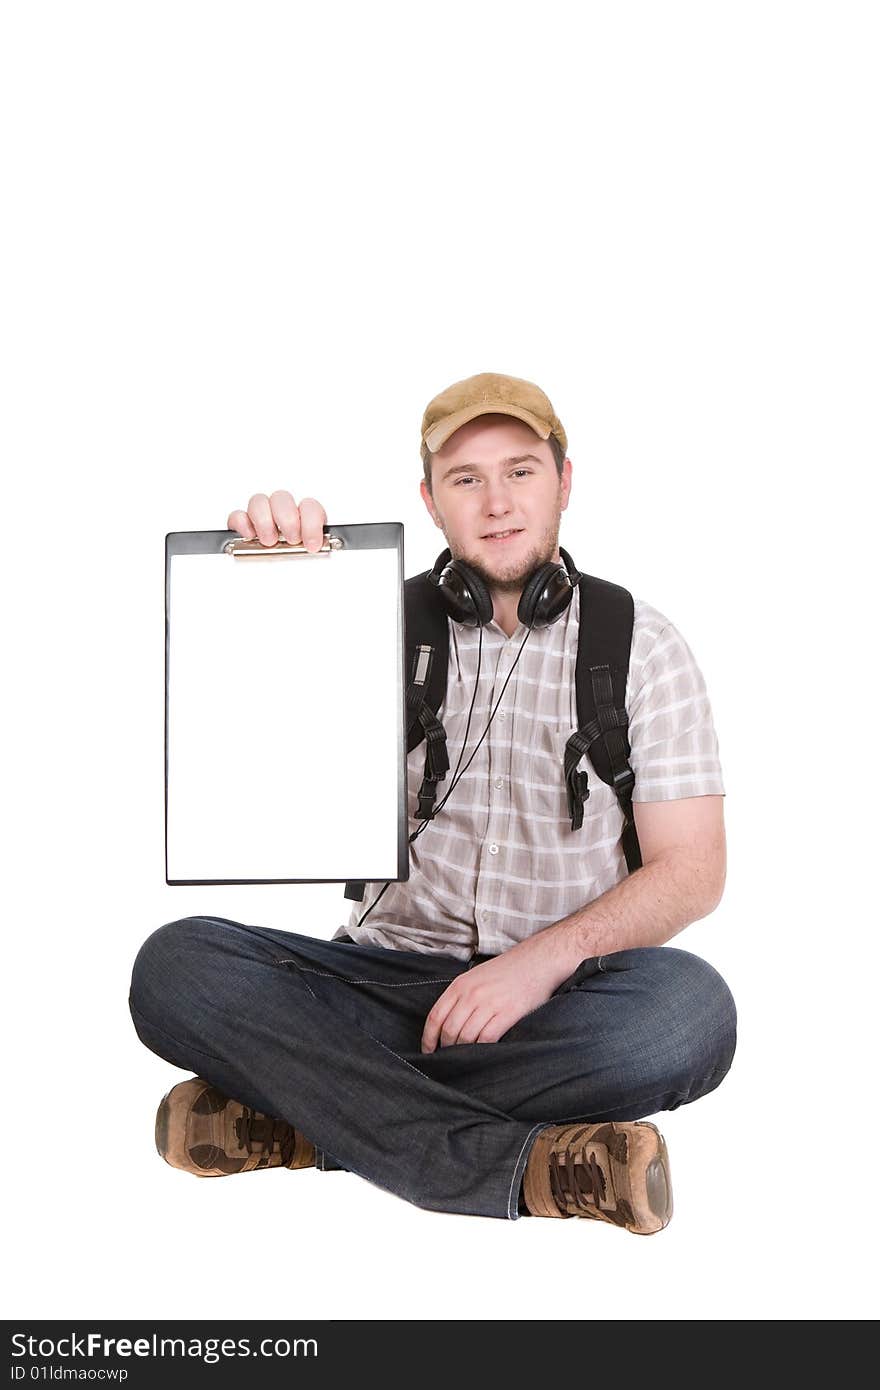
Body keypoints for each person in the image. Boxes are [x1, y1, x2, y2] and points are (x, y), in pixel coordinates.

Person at [130, 371, 737, 1233]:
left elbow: (694, 870)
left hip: (555, 997)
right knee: (173, 968)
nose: (496, 502)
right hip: (379, 981)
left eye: (520, 471)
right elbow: (251, 741)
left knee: (689, 1015)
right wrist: (277, 582)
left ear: (565, 483)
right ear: (429, 500)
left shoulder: (644, 646)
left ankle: (307, 1120)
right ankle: (525, 1166)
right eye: (465, 478)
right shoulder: (363, 616)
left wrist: (536, 966)